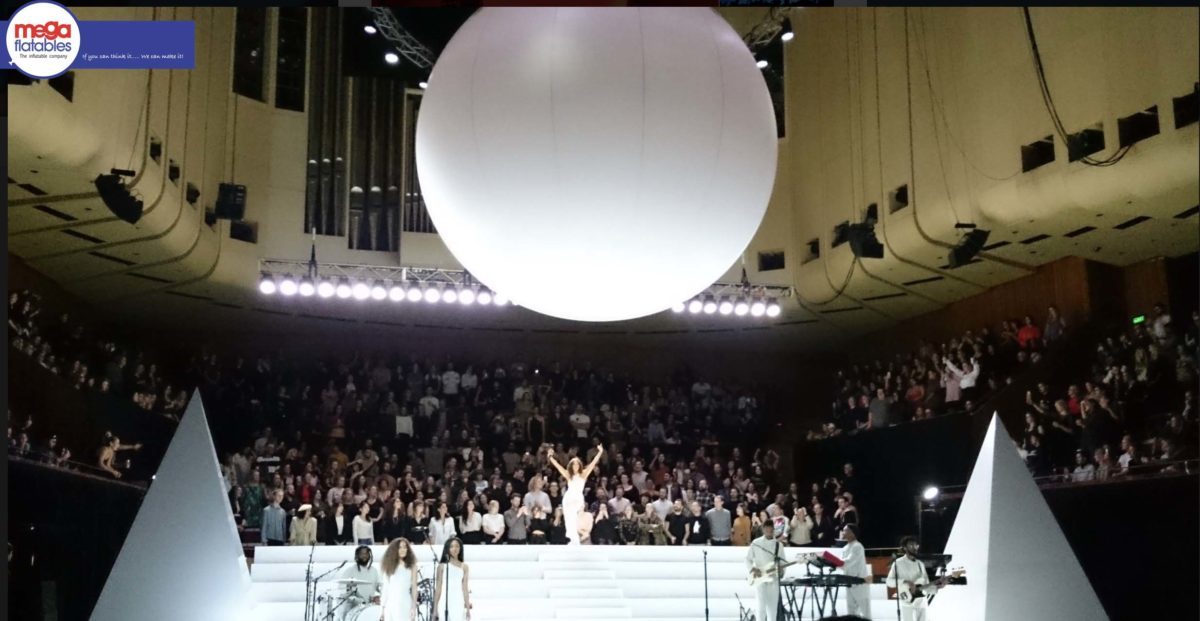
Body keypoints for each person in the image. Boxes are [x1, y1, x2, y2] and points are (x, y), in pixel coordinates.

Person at [546, 443, 604, 546]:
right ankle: (573, 539)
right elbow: (558, 467)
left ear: (580, 465)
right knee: (569, 519)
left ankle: (575, 538)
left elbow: (593, 463)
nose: (575, 466)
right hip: (568, 498)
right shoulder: (568, 475)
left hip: (577, 498)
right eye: (573, 464)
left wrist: (600, 452)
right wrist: (550, 457)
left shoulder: (584, 474)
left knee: (575, 518)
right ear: (571, 466)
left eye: (577, 464)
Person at [745, 520, 792, 621]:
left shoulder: (778, 545)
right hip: (760, 579)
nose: (768, 531)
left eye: (770, 530)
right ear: (763, 529)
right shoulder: (756, 543)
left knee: (772, 609)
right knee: (760, 608)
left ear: (773, 530)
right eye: (766, 529)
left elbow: (783, 563)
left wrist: (781, 572)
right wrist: (753, 570)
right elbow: (748, 559)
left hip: (773, 579)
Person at [886, 536, 934, 621]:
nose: (915, 547)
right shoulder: (898, 563)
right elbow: (889, 582)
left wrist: (937, 587)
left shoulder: (920, 564)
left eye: (916, 545)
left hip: (921, 601)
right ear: (904, 548)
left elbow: (926, 584)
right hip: (907, 601)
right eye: (911, 545)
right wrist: (905, 582)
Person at [380, 538, 419, 621]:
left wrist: (413, 607)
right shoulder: (389, 566)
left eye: (405, 547)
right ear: (395, 550)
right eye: (400, 547)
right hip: (391, 603)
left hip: (405, 602)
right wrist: (382, 609)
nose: (403, 550)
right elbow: (386, 588)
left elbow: (414, 588)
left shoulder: (412, 566)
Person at [433, 537, 471, 621]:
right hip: (445, 600)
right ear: (447, 548)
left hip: (458, 600)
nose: (455, 549)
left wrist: (468, 609)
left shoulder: (464, 567)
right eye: (452, 546)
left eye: (457, 546)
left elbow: (465, 589)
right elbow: (438, 588)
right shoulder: (442, 566)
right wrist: (435, 608)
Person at [838, 524, 871, 618]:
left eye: (845, 530)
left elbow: (847, 563)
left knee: (866, 613)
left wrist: (834, 562)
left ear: (852, 533)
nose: (843, 532)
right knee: (851, 612)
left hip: (859, 583)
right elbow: (842, 565)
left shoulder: (857, 546)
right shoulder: (845, 548)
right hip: (849, 583)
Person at [339, 546, 384, 612]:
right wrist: (355, 600)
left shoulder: (374, 571)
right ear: (357, 556)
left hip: (369, 607)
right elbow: (342, 590)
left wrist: (378, 597)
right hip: (353, 608)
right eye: (361, 554)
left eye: (366, 553)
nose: (364, 556)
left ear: (369, 555)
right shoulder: (350, 570)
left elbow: (381, 587)